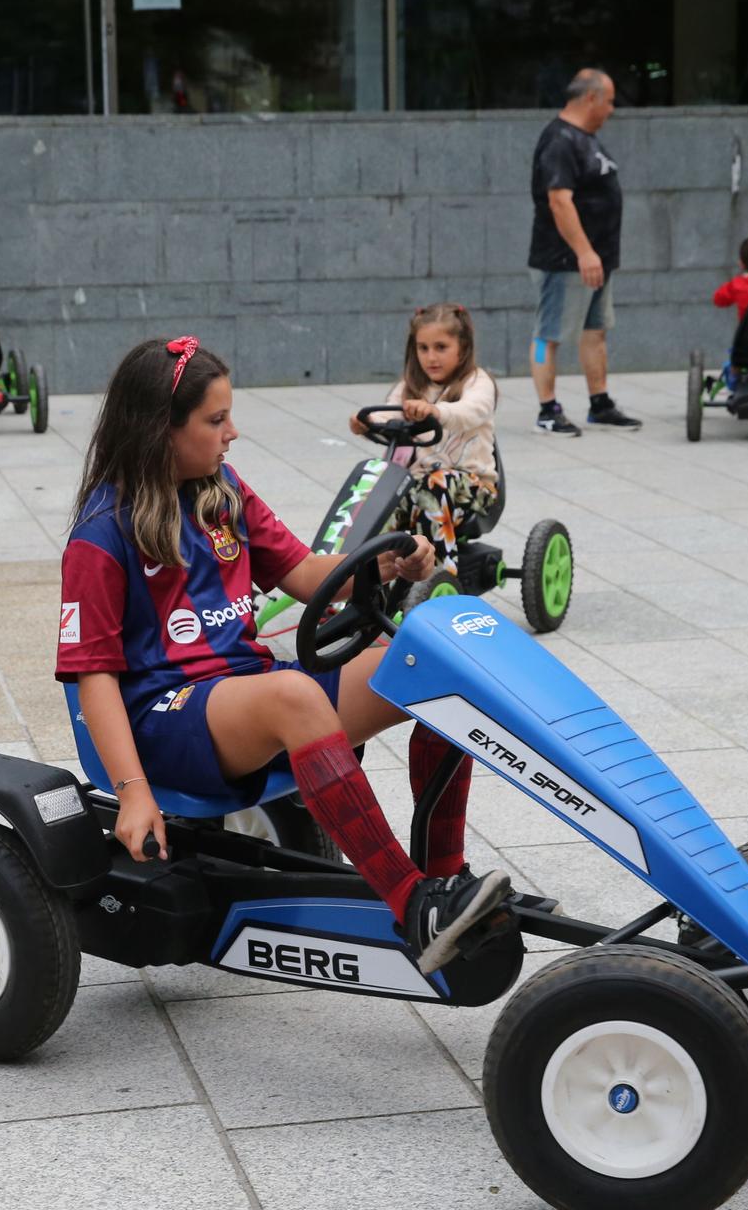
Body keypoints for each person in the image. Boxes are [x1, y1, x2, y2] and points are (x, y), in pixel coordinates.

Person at [59, 336, 515, 972]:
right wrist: (134, 793)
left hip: (242, 693)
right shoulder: (101, 534)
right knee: (295, 694)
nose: (232, 433)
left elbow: (305, 573)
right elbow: (93, 679)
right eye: (216, 420)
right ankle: (412, 906)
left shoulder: (223, 492)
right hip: (162, 718)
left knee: (433, 667)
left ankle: (445, 881)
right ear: (160, 429)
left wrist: (386, 560)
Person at [527, 68, 640, 436]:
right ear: (590, 98)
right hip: (565, 260)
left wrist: (597, 256)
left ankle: (600, 403)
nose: (611, 109)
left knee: (596, 331)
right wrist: (584, 252)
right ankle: (547, 409)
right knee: (548, 335)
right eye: (608, 101)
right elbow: (559, 201)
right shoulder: (559, 140)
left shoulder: (586, 138)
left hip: (597, 260)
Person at [349, 302, 498, 580]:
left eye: (441, 347)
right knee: (375, 500)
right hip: (414, 485)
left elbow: (472, 411)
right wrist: (365, 422)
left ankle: (438, 579)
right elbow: (386, 413)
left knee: (433, 485)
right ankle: (363, 583)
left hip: (472, 487)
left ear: (463, 347)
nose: (431, 357)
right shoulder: (410, 385)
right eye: (423, 348)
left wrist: (436, 411)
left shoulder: (477, 382)